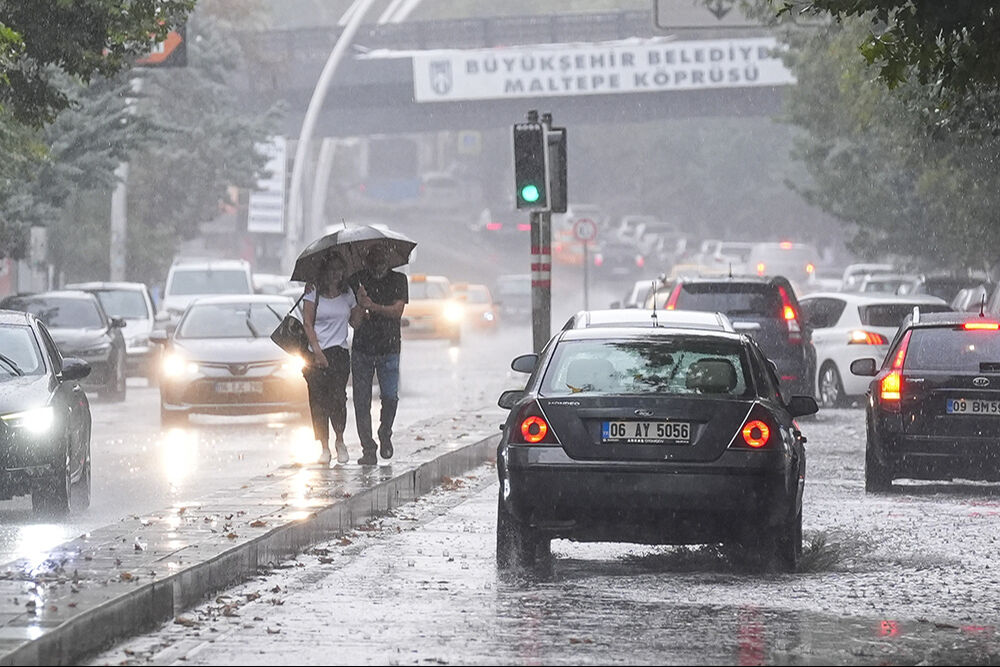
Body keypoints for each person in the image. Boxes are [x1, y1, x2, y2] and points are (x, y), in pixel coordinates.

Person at [349, 244, 408, 465]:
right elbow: (354, 322)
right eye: (374, 257)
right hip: (362, 349)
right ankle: (368, 448)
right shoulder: (357, 281)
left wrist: (372, 305)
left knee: (390, 397)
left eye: (383, 256)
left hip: (389, 348)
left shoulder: (398, 281)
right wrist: (360, 305)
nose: (379, 261)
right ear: (367, 260)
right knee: (361, 401)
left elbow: (397, 311)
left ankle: (385, 432)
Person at [302, 254, 361, 465]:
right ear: (324, 271)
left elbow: (356, 322)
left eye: (340, 269)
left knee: (338, 398)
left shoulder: (348, 294)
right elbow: (307, 324)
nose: (336, 274)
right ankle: (324, 447)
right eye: (332, 269)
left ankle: (340, 440)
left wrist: (362, 303)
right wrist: (317, 351)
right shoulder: (312, 293)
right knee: (318, 401)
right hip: (316, 353)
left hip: (339, 353)